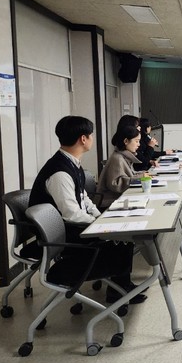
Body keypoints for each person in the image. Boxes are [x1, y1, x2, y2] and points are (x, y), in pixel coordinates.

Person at [28, 116, 144, 304]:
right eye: (91, 135)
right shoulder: (60, 172)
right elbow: (72, 213)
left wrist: (101, 217)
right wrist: (100, 224)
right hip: (64, 234)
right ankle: (119, 290)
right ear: (83, 139)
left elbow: (84, 200)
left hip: (72, 227)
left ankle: (123, 287)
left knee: (122, 236)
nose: (92, 138)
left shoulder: (72, 163)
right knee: (121, 241)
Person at [97, 124, 147, 209]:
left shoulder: (124, 156)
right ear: (126, 141)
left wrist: (142, 174)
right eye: (136, 141)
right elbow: (115, 184)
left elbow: (130, 174)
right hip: (110, 202)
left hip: (119, 199)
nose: (138, 144)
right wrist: (138, 178)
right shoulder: (117, 158)